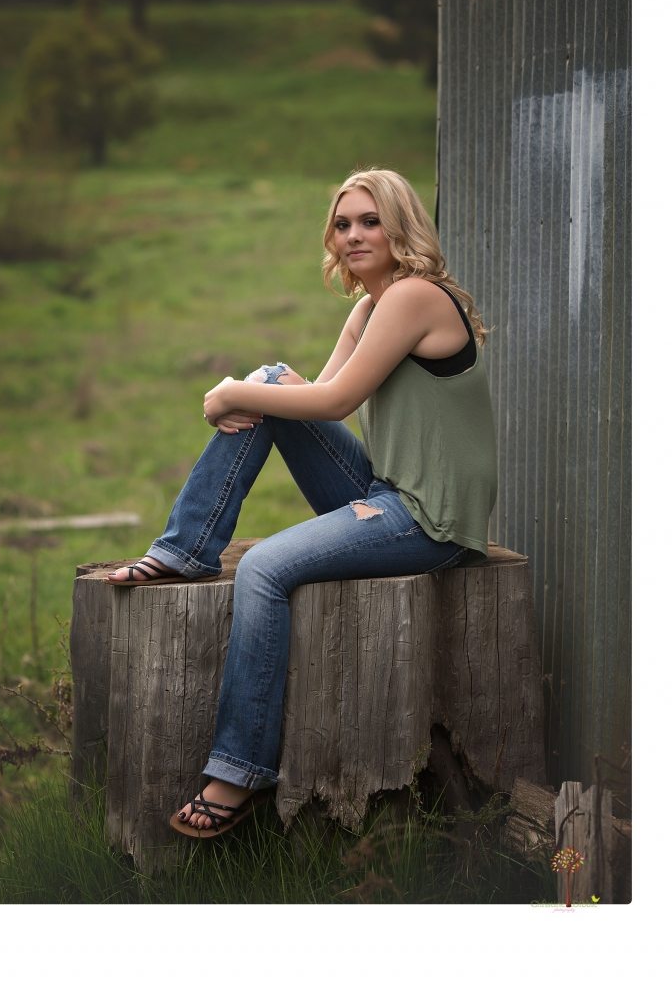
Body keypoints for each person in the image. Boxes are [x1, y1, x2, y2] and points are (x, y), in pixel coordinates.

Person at [107, 168, 497, 837]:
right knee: (270, 384)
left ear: (403, 227)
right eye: (342, 224)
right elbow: (315, 394)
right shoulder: (371, 307)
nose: (352, 236)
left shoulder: (413, 297)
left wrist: (231, 394)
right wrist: (262, 388)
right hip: (385, 491)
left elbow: (333, 403)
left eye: (369, 221)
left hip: (430, 520)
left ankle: (239, 773)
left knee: (264, 568)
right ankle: (187, 549)